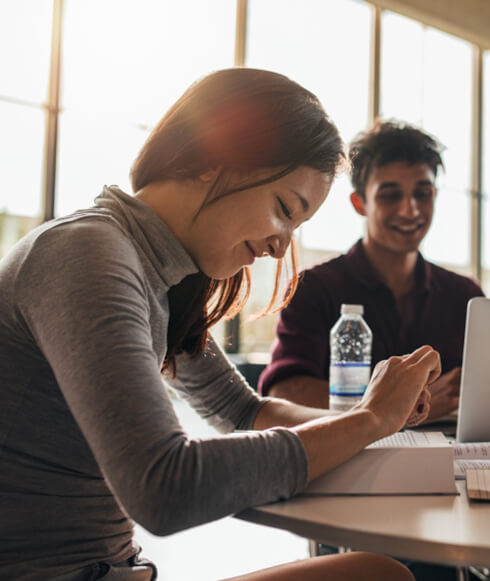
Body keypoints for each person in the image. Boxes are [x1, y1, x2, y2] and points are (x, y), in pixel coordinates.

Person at [0, 68, 433, 581]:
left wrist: (377, 416)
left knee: (376, 572)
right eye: (283, 210)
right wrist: (368, 422)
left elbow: (242, 409)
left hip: (114, 569)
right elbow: (165, 487)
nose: (280, 246)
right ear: (213, 159)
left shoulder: (159, 272)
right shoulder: (85, 255)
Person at [258, 121, 484, 422]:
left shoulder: (465, 296)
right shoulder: (313, 288)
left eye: (423, 193)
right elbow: (284, 392)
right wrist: (402, 406)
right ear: (359, 203)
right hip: (350, 460)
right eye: (390, 195)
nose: (410, 210)